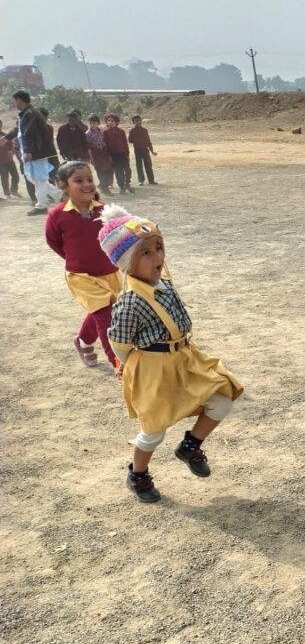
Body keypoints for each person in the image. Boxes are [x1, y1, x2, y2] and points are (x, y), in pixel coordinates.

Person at [100, 205, 244, 503]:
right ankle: (138, 474)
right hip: (153, 369)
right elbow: (119, 342)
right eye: (146, 253)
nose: (158, 257)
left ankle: (190, 445)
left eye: (159, 248)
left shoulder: (164, 284)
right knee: (153, 431)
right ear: (127, 263)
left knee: (221, 399)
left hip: (184, 359)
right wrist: (133, 370)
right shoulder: (129, 302)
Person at [44, 161, 121, 368]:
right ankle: (120, 367)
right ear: (63, 185)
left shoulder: (104, 210)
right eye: (78, 180)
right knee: (106, 319)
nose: (86, 184)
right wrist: (75, 259)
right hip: (81, 276)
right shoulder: (57, 215)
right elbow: (54, 242)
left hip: (110, 272)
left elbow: (117, 236)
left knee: (103, 309)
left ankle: (83, 340)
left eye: (89, 179)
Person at [6, 89, 63, 215]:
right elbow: (19, 130)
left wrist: (27, 151)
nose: (14, 103)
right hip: (34, 152)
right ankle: (61, 196)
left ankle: (42, 205)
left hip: (37, 152)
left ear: (20, 100)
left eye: (14, 100)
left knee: (39, 179)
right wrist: (6, 137)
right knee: (36, 179)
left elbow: (28, 134)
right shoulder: (25, 114)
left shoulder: (30, 114)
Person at [102, 112, 134, 194]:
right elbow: (105, 145)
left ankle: (127, 184)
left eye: (112, 121)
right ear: (106, 122)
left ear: (116, 122)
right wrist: (108, 156)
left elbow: (125, 144)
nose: (110, 122)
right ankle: (122, 187)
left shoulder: (121, 131)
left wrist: (127, 154)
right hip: (113, 155)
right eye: (108, 120)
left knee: (127, 170)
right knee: (118, 171)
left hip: (122, 153)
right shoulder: (105, 132)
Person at [86, 115, 114, 195]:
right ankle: (105, 189)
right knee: (100, 171)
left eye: (94, 123)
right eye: (90, 123)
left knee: (108, 170)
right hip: (96, 154)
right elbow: (88, 146)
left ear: (98, 123)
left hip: (104, 152)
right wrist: (92, 155)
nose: (92, 125)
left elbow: (106, 141)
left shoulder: (102, 131)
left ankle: (103, 186)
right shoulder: (88, 134)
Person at [128, 115, 158, 185]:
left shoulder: (145, 130)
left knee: (148, 165)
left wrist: (152, 151)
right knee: (139, 166)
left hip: (145, 150)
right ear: (133, 122)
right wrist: (137, 141)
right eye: (136, 121)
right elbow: (130, 140)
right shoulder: (132, 131)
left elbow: (148, 142)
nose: (138, 122)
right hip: (138, 151)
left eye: (139, 120)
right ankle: (141, 181)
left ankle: (151, 180)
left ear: (141, 121)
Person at [38, 108, 61, 180]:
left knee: (57, 176)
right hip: (40, 156)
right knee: (45, 178)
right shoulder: (33, 129)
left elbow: (49, 142)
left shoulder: (50, 128)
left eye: (44, 118)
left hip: (51, 155)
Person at [0, 120, 21, 199]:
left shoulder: (5, 135)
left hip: (9, 160)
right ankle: (7, 194)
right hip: (1, 161)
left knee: (16, 176)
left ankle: (13, 190)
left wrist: (12, 151)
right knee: (4, 178)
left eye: (0, 125)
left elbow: (12, 146)